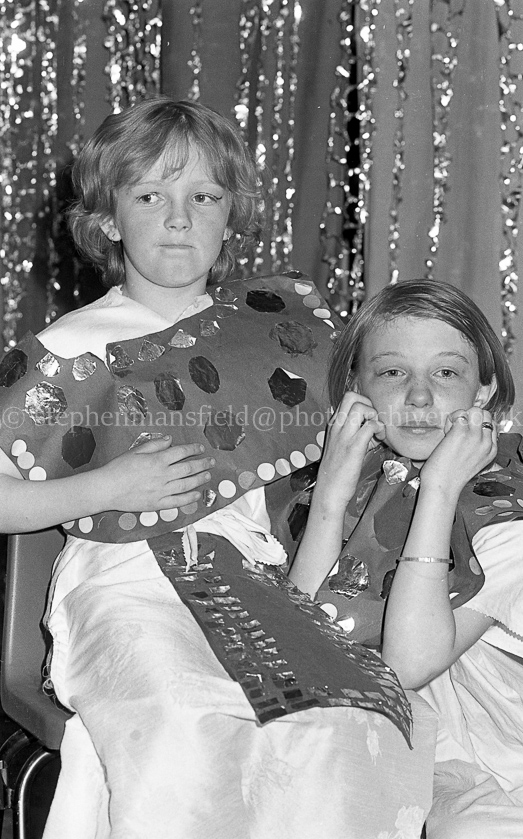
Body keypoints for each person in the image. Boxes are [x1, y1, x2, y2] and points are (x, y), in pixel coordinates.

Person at [0, 98, 436, 839]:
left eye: (203, 197)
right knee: (183, 719)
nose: (179, 219)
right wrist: (108, 487)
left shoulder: (274, 333)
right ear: (108, 219)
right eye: (150, 196)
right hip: (127, 583)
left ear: (231, 216)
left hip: (262, 583)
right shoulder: (74, 345)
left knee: (351, 723)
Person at [290, 278, 523, 838]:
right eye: (394, 371)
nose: (419, 397)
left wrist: (439, 489)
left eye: (446, 373)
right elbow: (303, 647)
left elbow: (408, 664)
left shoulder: (509, 514)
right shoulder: (360, 483)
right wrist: (331, 496)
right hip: (439, 763)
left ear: (484, 391)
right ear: (356, 386)